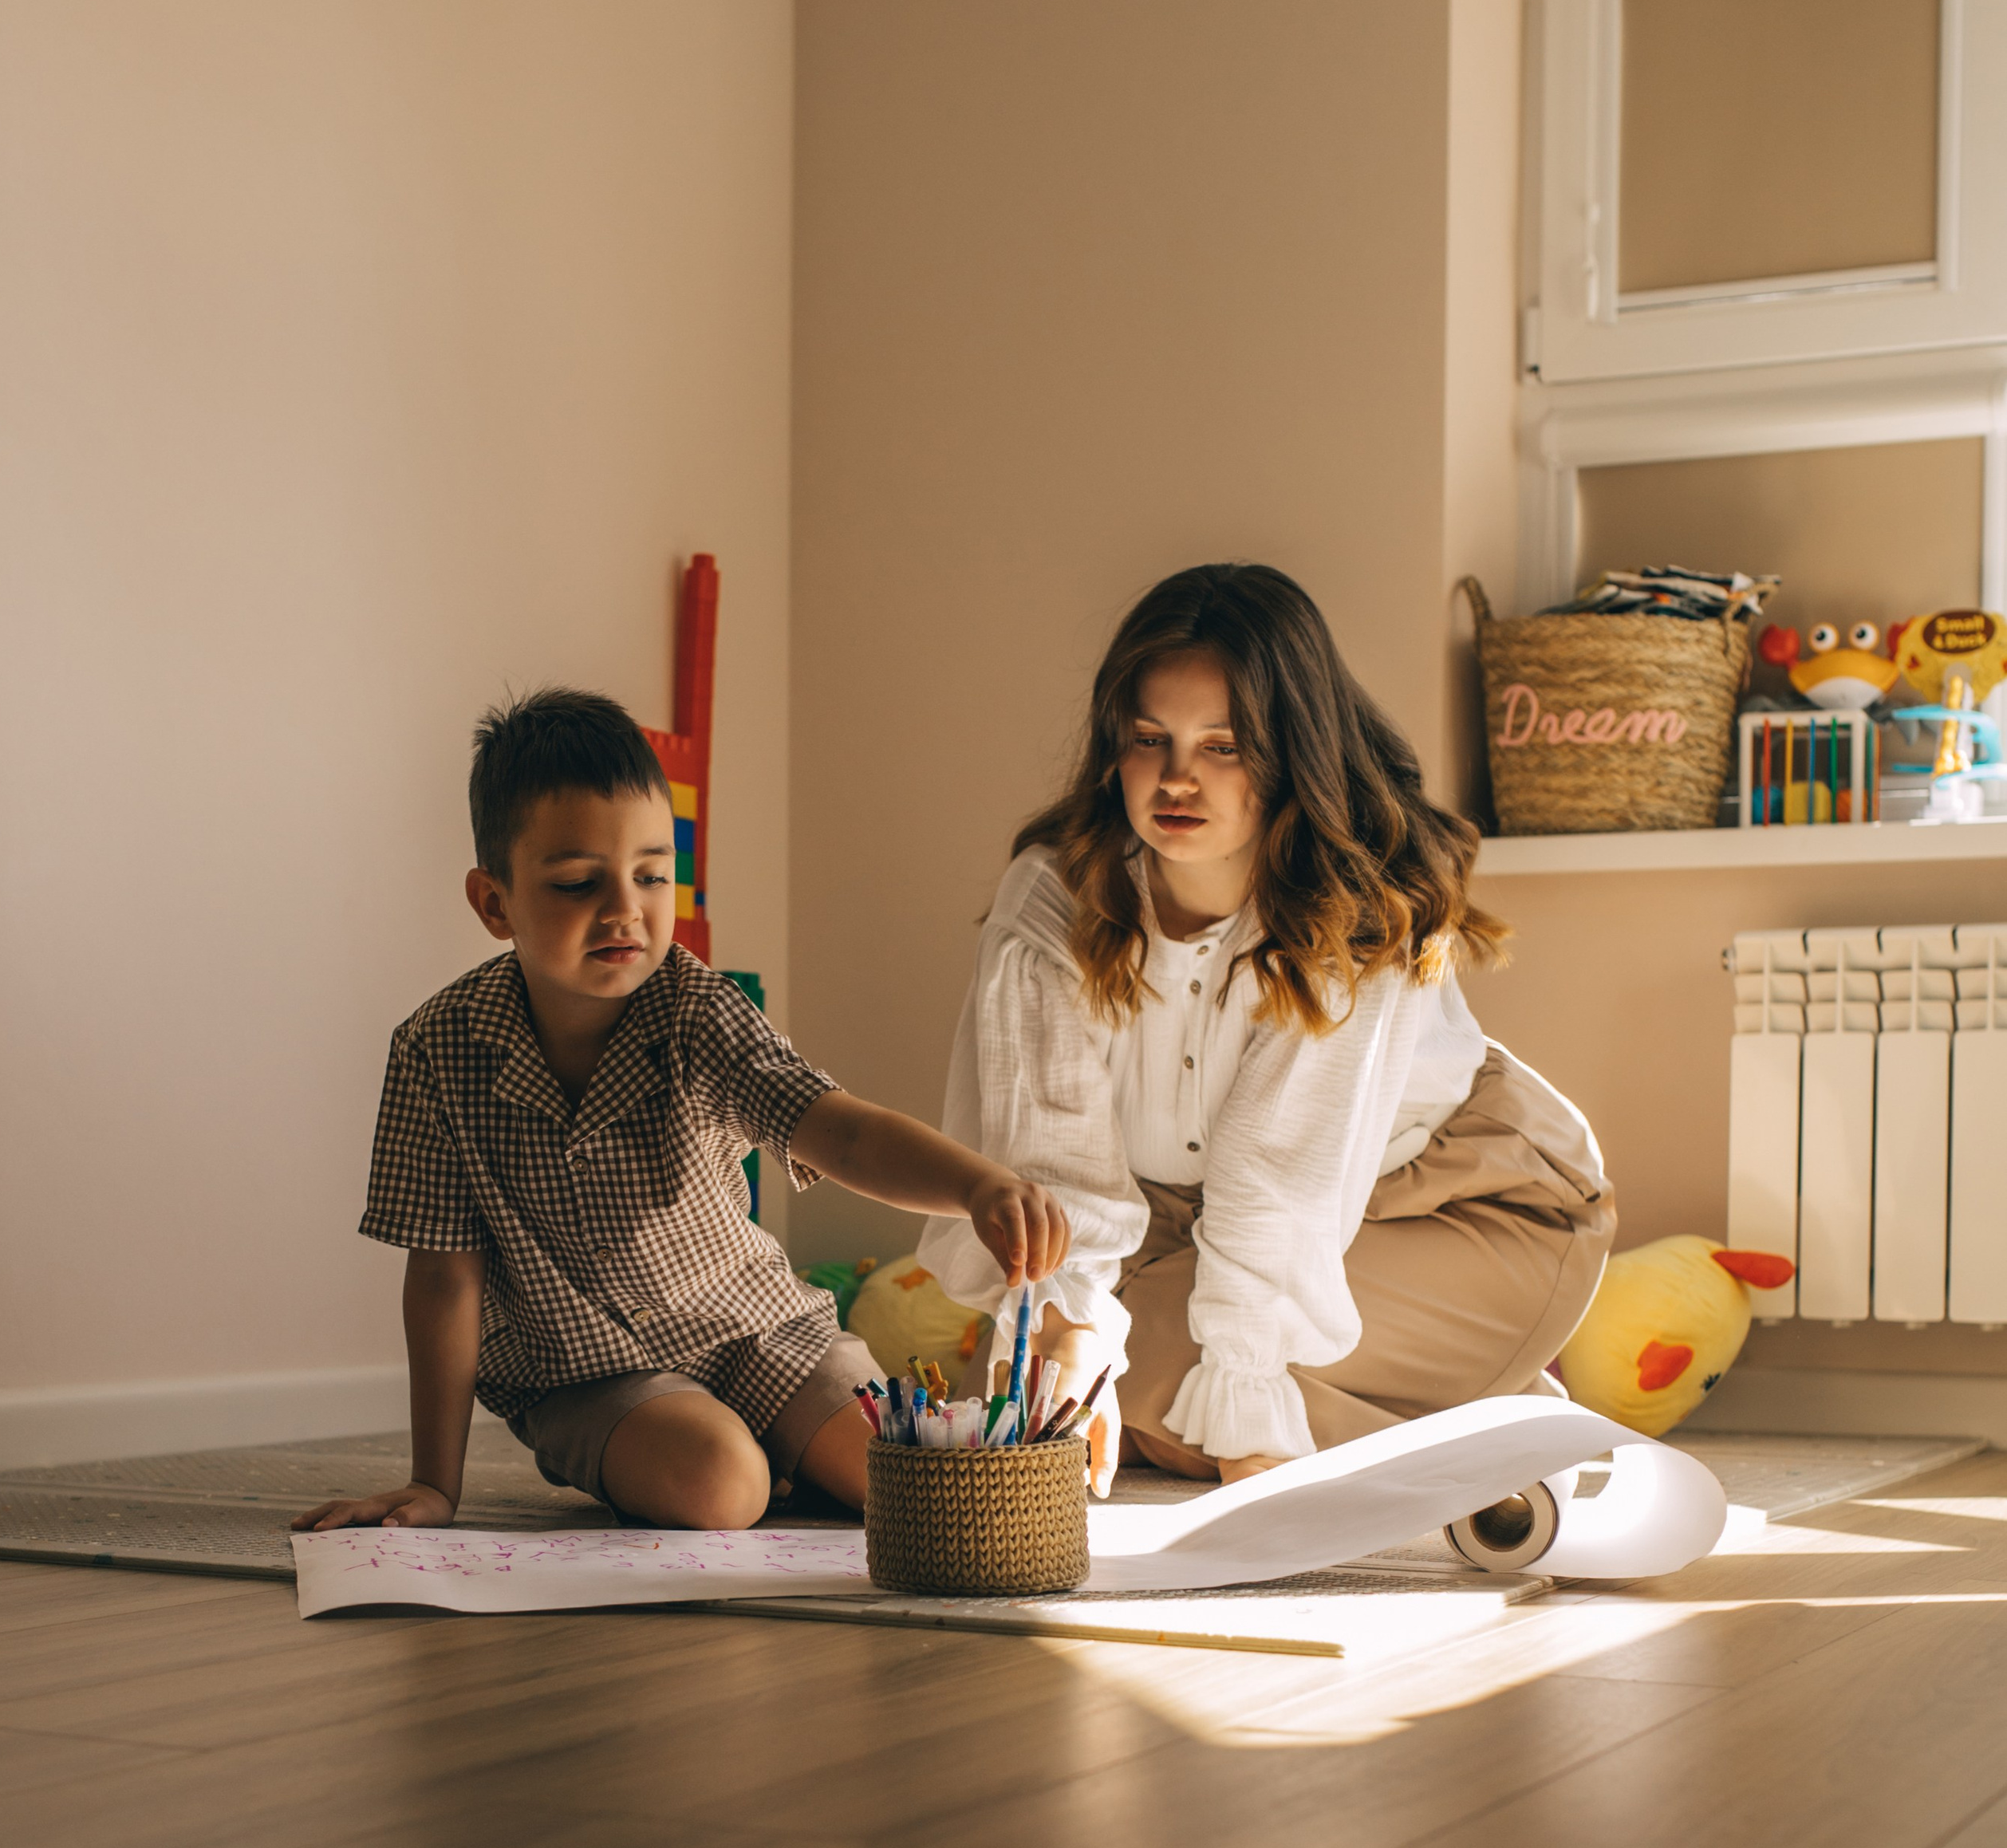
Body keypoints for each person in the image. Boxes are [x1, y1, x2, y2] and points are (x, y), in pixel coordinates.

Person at [298, 688, 1065, 1535]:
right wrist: (432, 1485)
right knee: (718, 1487)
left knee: (918, 1479)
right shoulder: (435, 1052)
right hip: (587, 1375)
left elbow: (840, 1129)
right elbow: (443, 1277)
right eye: (578, 883)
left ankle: (794, 1454)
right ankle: (762, 1464)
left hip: (762, 1335)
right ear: (494, 903)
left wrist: (978, 1186)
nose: (625, 909)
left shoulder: (699, 1011)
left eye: (652, 875)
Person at [917, 564, 1613, 1495]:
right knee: (1022, 1392)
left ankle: (1501, 1408)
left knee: (1175, 1377)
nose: (1176, 779)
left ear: (1291, 752)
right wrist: (1068, 1326)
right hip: (1193, 1217)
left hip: (1456, 1204)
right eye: (1149, 740)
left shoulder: (1356, 905)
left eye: (1224, 746)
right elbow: (1051, 1153)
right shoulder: (1056, 899)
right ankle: (1468, 1407)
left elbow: (1278, 1174)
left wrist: (1249, 1429)